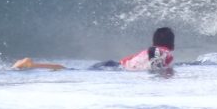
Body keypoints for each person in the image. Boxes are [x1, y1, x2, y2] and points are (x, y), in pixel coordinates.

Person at [12, 27, 175, 72]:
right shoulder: (165, 52)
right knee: (68, 70)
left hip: (113, 65)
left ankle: (33, 65)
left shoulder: (156, 50)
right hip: (114, 69)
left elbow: (151, 53)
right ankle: (31, 65)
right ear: (171, 44)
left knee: (71, 70)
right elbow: (154, 53)